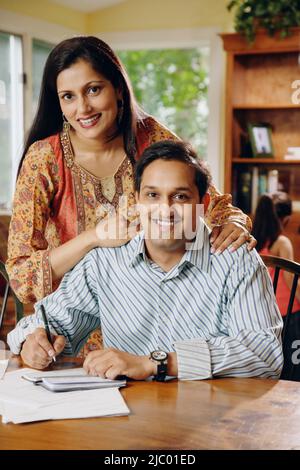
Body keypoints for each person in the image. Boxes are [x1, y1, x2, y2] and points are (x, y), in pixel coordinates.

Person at [6, 36, 256, 307]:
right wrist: (94, 238)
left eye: (93, 90)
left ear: (119, 89)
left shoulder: (152, 137)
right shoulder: (44, 158)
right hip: (70, 326)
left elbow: (214, 206)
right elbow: (23, 277)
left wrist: (235, 224)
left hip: (152, 320)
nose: (83, 108)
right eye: (68, 96)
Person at [7, 140, 283, 380]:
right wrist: (34, 343)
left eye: (180, 196)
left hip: (212, 420)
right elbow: (43, 325)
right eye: (153, 195)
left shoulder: (236, 261)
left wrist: (157, 364)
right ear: (137, 200)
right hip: (126, 419)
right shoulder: (105, 262)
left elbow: (265, 354)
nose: (165, 210)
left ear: (204, 202)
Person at [252, 192, 300, 316]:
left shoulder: (251, 242)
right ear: (286, 219)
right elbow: (290, 280)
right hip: (287, 310)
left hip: (262, 311)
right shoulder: (282, 243)